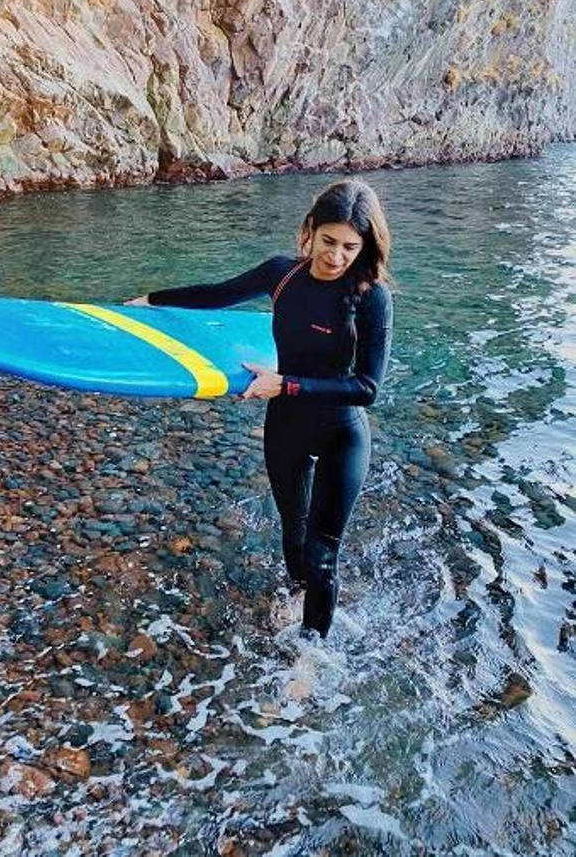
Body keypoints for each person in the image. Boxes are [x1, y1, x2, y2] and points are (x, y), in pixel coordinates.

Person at [126, 179, 393, 639]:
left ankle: (311, 654)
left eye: (350, 247)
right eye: (328, 242)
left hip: (341, 433)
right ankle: (300, 595)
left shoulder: (372, 297)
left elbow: (366, 388)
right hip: (287, 425)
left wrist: (284, 384)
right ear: (309, 230)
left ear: (365, 246)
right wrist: (152, 300)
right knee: (293, 530)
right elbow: (217, 294)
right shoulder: (283, 274)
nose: (336, 257)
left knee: (322, 552)